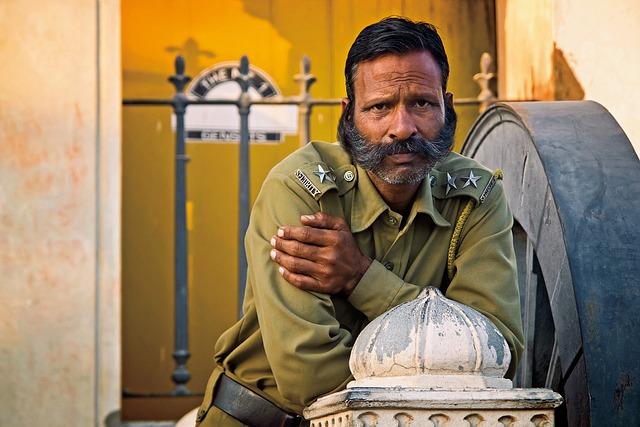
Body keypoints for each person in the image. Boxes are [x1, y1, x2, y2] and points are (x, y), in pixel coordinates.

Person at [195, 16, 524, 427]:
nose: (401, 128)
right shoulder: (300, 190)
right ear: (349, 115)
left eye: (421, 103)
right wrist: (437, 369)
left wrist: (360, 277)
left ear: (448, 107)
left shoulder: (476, 197)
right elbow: (309, 376)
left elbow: (496, 354)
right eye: (380, 107)